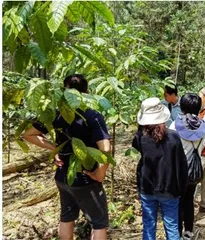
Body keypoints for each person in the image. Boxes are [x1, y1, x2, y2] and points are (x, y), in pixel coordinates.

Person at [23, 74, 111, 240]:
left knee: (67, 217)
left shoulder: (56, 115)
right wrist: (100, 173)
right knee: (99, 223)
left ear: (65, 91)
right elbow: (105, 148)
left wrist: (54, 148)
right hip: (85, 178)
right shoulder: (92, 115)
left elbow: (29, 134)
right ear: (86, 91)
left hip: (63, 177)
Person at [132, 97, 188, 240]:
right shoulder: (174, 137)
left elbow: (141, 142)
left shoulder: (140, 138)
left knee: (149, 226)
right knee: (172, 227)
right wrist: (182, 188)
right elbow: (182, 165)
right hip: (169, 188)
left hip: (147, 187)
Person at [169, 93, 205, 240]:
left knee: (178, 201)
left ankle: (178, 232)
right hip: (195, 170)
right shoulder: (204, 127)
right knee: (188, 200)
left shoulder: (175, 126)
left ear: (182, 107)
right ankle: (189, 231)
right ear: (199, 108)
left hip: (178, 171)